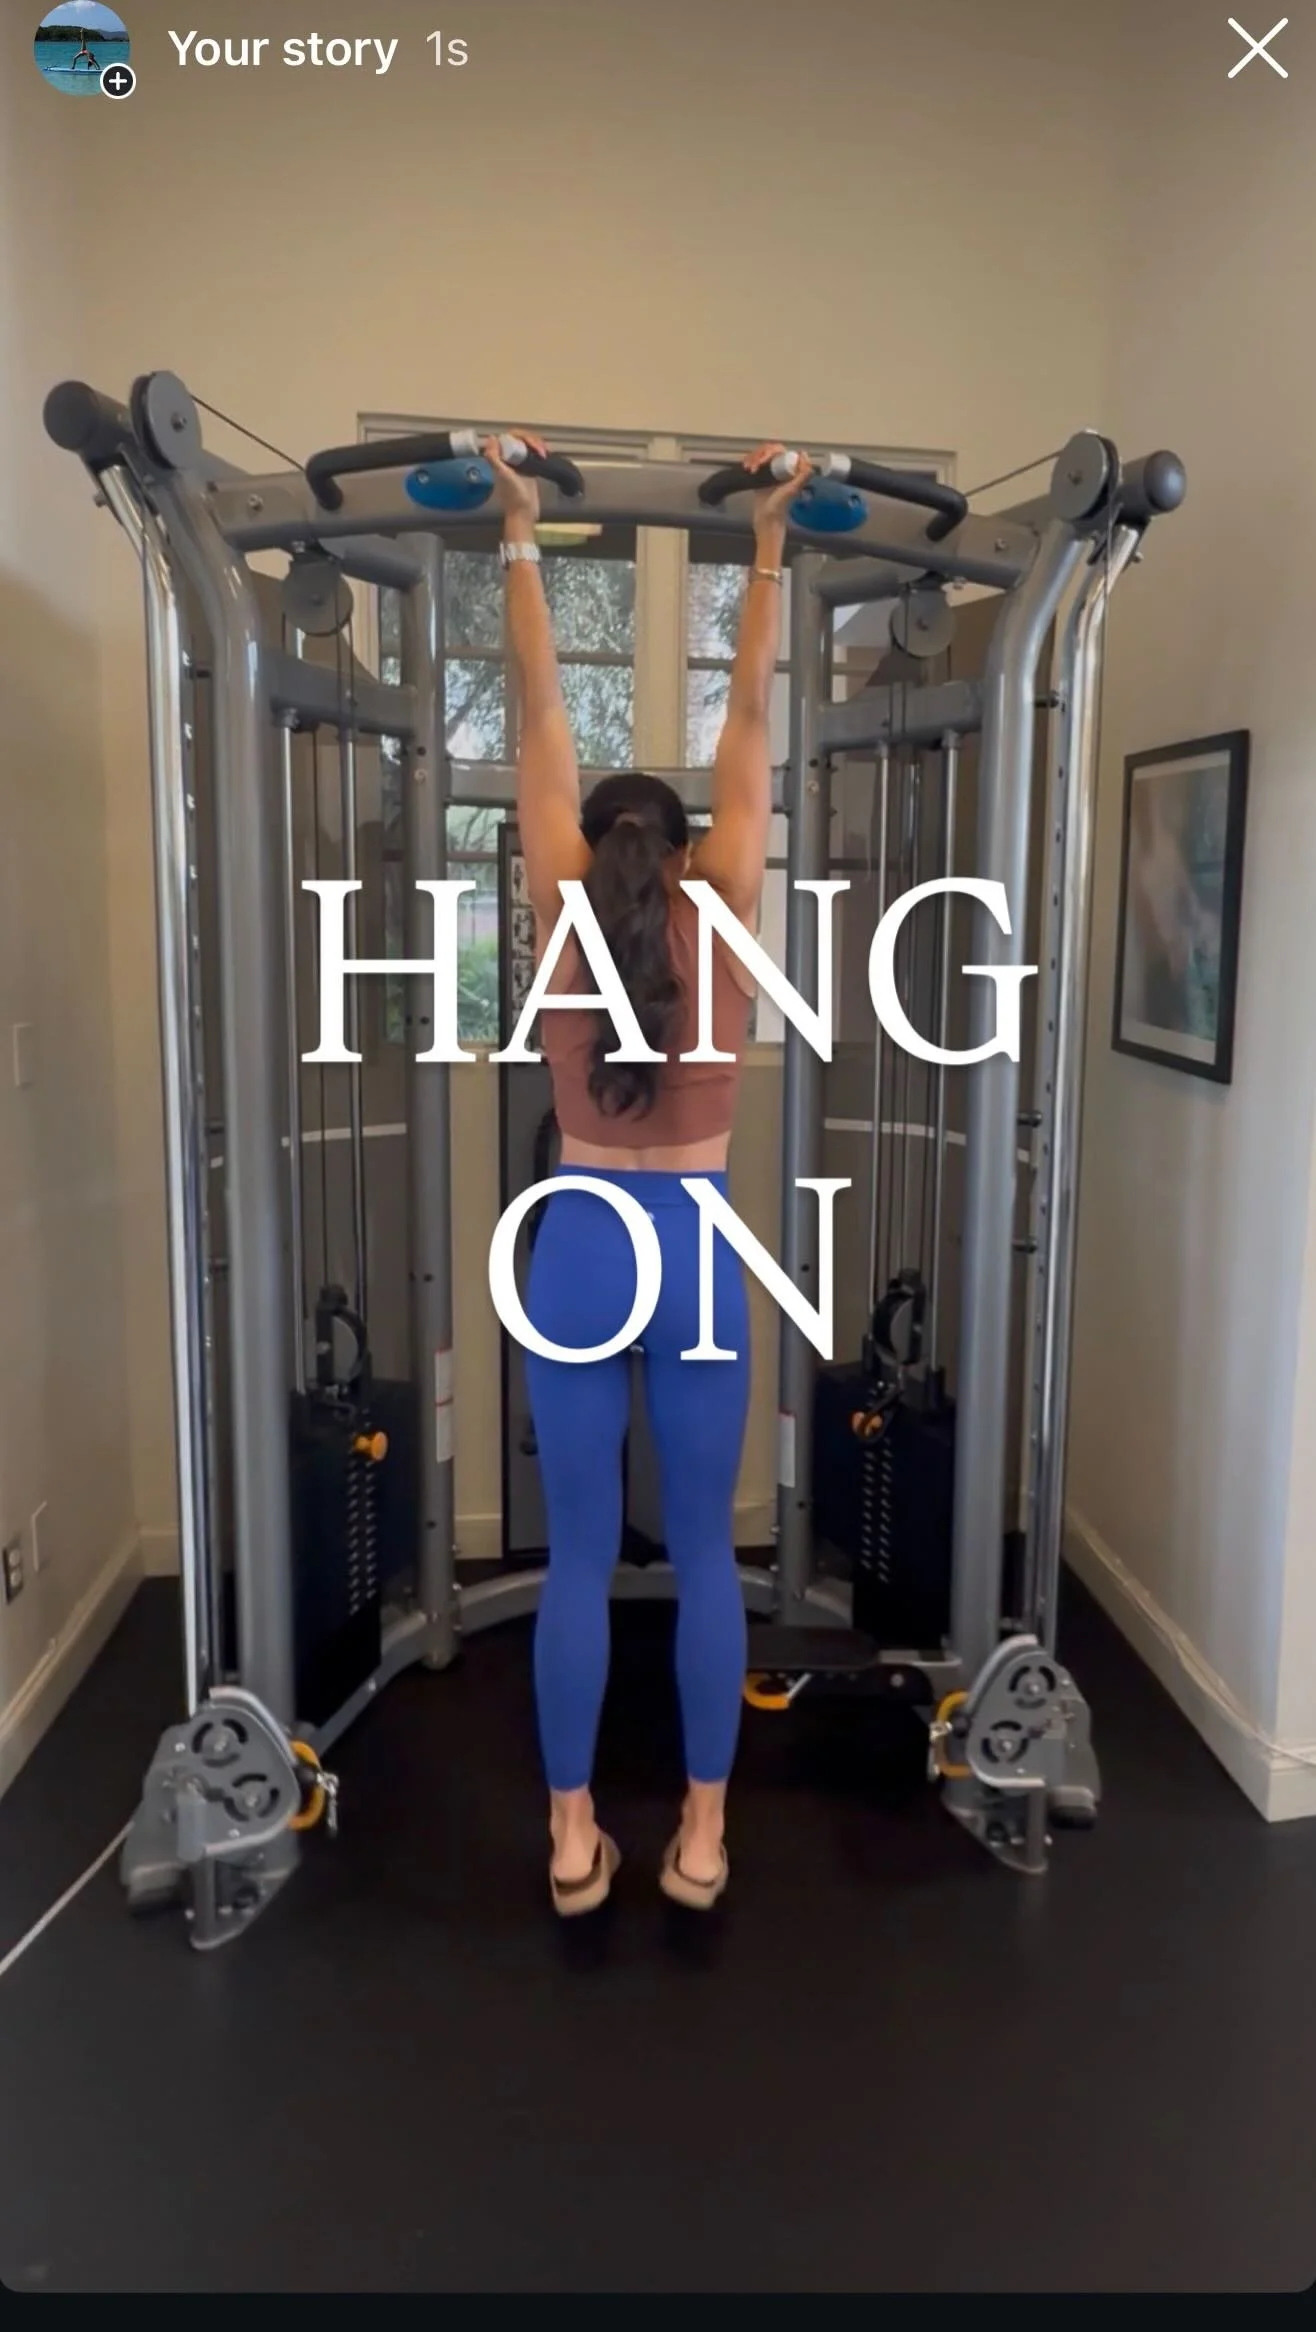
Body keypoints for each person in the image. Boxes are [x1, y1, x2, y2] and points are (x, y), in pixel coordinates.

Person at [486, 431, 808, 1915]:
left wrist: (519, 526)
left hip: (577, 1250)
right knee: (701, 1561)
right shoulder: (725, 904)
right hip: (690, 1248)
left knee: (573, 1562)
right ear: (683, 848)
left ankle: (571, 1843)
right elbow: (750, 707)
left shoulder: (559, 905)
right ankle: (699, 1840)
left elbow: (540, 706)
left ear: (594, 845)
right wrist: (768, 542)